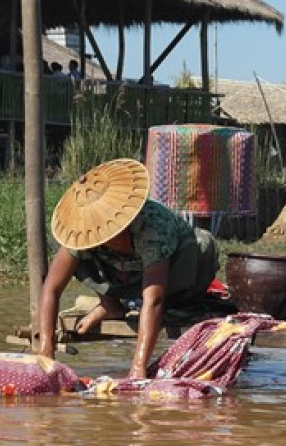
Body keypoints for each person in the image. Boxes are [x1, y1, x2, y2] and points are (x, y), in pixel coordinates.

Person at [38, 158, 219, 380]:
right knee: (75, 253)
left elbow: (154, 300)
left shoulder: (152, 227)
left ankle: (177, 301)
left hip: (175, 274)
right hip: (127, 275)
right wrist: (46, 354)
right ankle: (110, 305)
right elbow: (51, 289)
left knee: (202, 244)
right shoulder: (84, 232)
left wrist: (138, 367)